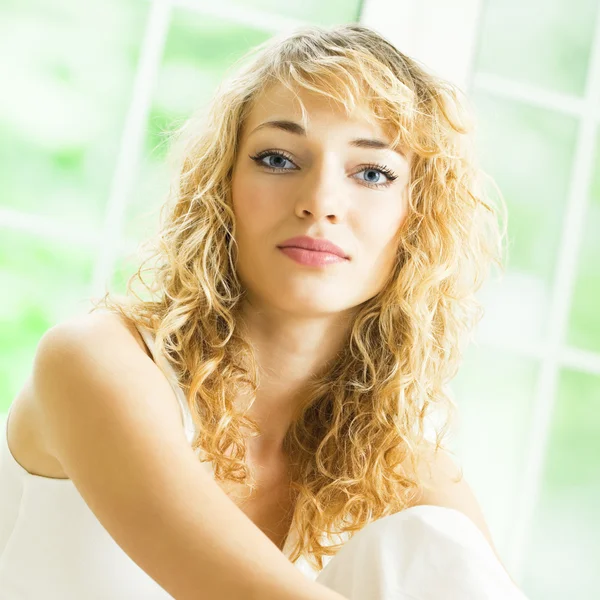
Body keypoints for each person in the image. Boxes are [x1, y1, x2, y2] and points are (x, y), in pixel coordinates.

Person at [0, 23, 528, 600]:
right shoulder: (96, 363)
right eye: (278, 159)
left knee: (430, 539)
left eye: (372, 173)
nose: (321, 202)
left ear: (417, 219)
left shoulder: (397, 464)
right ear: (222, 185)